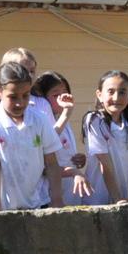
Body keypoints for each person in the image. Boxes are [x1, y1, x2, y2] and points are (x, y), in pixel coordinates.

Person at [0, 62, 64, 212]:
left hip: (35, 203)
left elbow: (52, 163)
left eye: (25, 95)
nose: (20, 103)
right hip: (1, 206)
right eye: (13, 97)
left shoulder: (40, 119)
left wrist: (57, 201)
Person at [83, 70, 128, 203]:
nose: (116, 98)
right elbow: (104, 163)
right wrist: (116, 198)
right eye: (111, 92)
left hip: (122, 197)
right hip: (97, 199)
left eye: (122, 92)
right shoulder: (95, 120)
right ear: (99, 95)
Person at [33, 71, 89, 204]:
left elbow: (64, 153)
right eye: (56, 94)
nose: (63, 97)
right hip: (51, 196)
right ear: (43, 99)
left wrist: (78, 158)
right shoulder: (43, 123)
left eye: (65, 92)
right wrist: (72, 172)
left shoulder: (64, 121)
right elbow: (44, 162)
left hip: (72, 191)